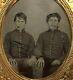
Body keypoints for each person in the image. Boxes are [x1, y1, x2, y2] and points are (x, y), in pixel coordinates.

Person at [35, 13, 70, 77]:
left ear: (58, 23)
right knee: (38, 67)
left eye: (55, 20)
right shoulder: (42, 35)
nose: (52, 22)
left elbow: (68, 52)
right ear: (47, 22)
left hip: (57, 61)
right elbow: (38, 48)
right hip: (44, 61)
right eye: (50, 20)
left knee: (55, 72)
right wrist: (40, 57)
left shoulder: (64, 36)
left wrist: (60, 60)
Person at [4, 12, 37, 78]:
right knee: (13, 65)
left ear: (25, 23)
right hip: (13, 60)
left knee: (34, 63)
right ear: (15, 22)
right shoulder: (9, 35)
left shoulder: (29, 37)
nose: (19, 23)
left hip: (25, 60)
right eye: (18, 21)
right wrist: (10, 58)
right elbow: (5, 50)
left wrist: (33, 57)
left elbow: (32, 50)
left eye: (22, 21)